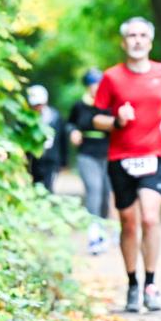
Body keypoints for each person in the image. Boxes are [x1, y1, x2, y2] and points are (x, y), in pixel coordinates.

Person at [92, 17, 161, 313]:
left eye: (143, 35)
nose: (138, 40)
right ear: (124, 42)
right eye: (132, 35)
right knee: (128, 223)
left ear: (151, 42)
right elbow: (96, 118)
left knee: (150, 219)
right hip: (121, 158)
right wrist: (117, 119)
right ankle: (132, 283)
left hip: (155, 154)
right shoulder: (112, 77)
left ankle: (151, 284)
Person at [68, 68, 112, 255]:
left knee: (106, 193)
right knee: (94, 190)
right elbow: (69, 123)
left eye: (99, 84)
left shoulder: (110, 104)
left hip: (109, 153)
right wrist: (72, 131)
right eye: (93, 84)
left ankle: (103, 231)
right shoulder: (80, 105)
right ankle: (93, 235)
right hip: (87, 154)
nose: (96, 88)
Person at [27, 84, 67, 192]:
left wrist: (64, 162)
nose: (38, 107)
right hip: (33, 160)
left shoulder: (55, 117)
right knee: (34, 186)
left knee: (48, 188)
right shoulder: (26, 119)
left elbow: (63, 140)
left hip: (51, 160)